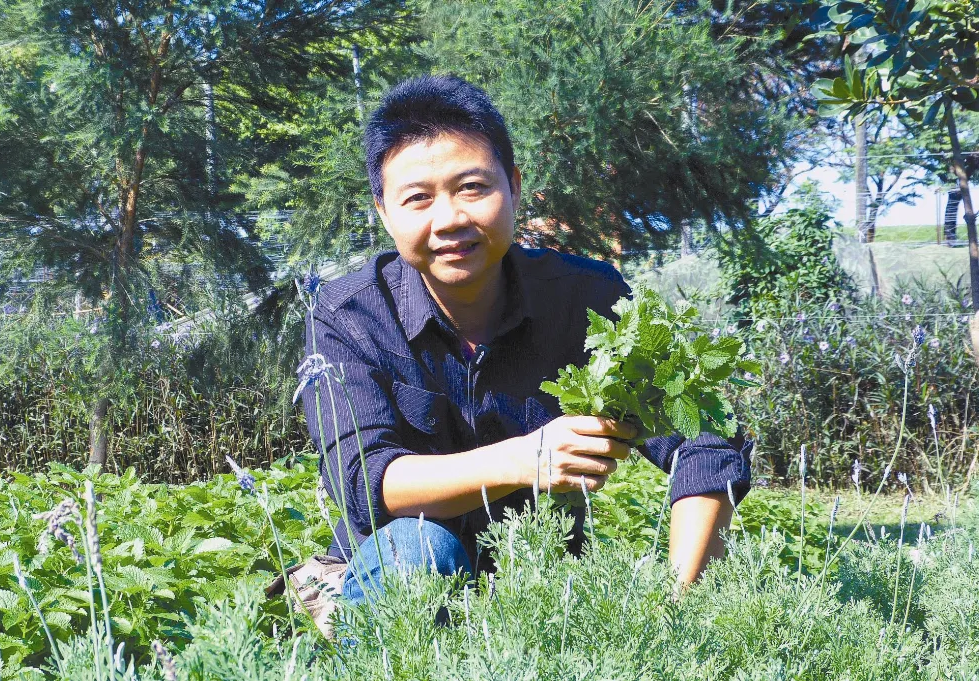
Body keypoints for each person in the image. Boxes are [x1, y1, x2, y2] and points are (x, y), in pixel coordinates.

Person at [296, 74, 751, 606]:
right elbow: (366, 485)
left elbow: (705, 438)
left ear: (513, 186)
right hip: (387, 569)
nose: (450, 219)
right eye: (418, 198)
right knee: (420, 547)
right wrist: (525, 460)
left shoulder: (585, 297)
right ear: (384, 212)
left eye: (472, 187)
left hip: (540, 584)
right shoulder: (347, 314)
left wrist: (681, 600)